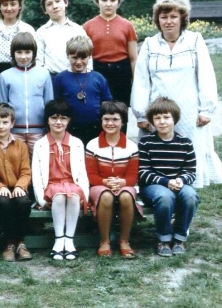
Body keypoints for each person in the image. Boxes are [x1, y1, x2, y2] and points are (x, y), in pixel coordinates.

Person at [131, 0, 222, 188]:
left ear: (182, 18)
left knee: (187, 154)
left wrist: (206, 109)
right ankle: (160, 194)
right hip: (158, 110)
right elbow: (141, 81)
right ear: (158, 20)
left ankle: (186, 195)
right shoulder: (150, 44)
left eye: (173, 17)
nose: (169, 21)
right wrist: (141, 115)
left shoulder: (195, 40)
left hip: (189, 110)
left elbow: (206, 75)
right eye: (164, 17)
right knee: (158, 152)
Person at [138, 97, 199, 257]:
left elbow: (191, 171)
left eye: (166, 117)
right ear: (152, 121)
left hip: (178, 183)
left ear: (175, 119)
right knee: (165, 196)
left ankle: (179, 238)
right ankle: (164, 239)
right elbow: (143, 172)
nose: (162, 122)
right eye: (157, 118)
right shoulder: (146, 142)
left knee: (190, 196)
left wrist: (181, 180)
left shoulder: (185, 143)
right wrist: (166, 182)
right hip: (153, 186)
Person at [32, 99, 89, 261]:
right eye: (54, 118)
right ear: (47, 120)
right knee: (59, 196)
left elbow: (82, 172)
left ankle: (69, 240)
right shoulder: (40, 144)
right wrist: (41, 199)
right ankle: (58, 239)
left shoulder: (76, 143)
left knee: (73, 196)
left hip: (72, 184)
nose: (58, 122)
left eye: (63, 118)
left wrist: (84, 195)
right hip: (51, 186)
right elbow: (36, 175)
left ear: (69, 120)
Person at [85, 101, 140, 259]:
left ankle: (124, 240)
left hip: (123, 184)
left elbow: (133, 176)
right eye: (106, 119)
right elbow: (91, 175)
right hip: (99, 185)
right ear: (101, 121)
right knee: (106, 196)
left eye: (115, 119)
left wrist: (123, 183)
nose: (110, 123)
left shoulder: (131, 146)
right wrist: (105, 182)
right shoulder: (93, 145)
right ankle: (104, 241)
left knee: (126, 196)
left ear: (123, 122)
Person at [0, 103, 33, 261]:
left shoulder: (21, 145)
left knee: (23, 202)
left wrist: (20, 186)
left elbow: (26, 171)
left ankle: (20, 242)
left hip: (17, 186)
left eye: (5, 122)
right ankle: (9, 243)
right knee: (4, 202)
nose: (1, 126)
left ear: (12, 123)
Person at [83, 0, 137, 108]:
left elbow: (134, 58)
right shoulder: (87, 26)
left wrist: (136, 81)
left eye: (113, 0)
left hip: (121, 73)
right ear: (97, 1)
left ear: (118, 2)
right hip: (97, 71)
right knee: (99, 109)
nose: (108, 4)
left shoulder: (127, 26)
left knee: (121, 110)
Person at [0, 32, 53, 157]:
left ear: (34, 53)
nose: (23, 56)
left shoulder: (44, 74)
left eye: (27, 52)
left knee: (39, 161)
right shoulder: (5, 75)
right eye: (19, 52)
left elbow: (49, 103)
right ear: (13, 53)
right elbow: (3, 106)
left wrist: (47, 128)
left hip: (38, 131)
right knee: (16, 163)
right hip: (14, 131)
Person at [53, 36, 112, 146]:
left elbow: (107, 103)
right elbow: (56, 105)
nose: (79, 62)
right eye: (74, 58)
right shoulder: (60, 78)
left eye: (83, 58)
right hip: (70, 128)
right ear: (67, 56)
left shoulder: (98, 78)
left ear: (89, 56)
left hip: (95, 128)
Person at [35, 0, 90, 79]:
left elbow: (87, 56)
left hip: (75, 77)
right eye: (49, 4)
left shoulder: (78, 30)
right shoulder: (41, 32)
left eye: (57, 1)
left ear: (65, 3)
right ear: (45, 10)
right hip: (51, 78)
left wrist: (86, 77)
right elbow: (38, 61)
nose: (55, 6)